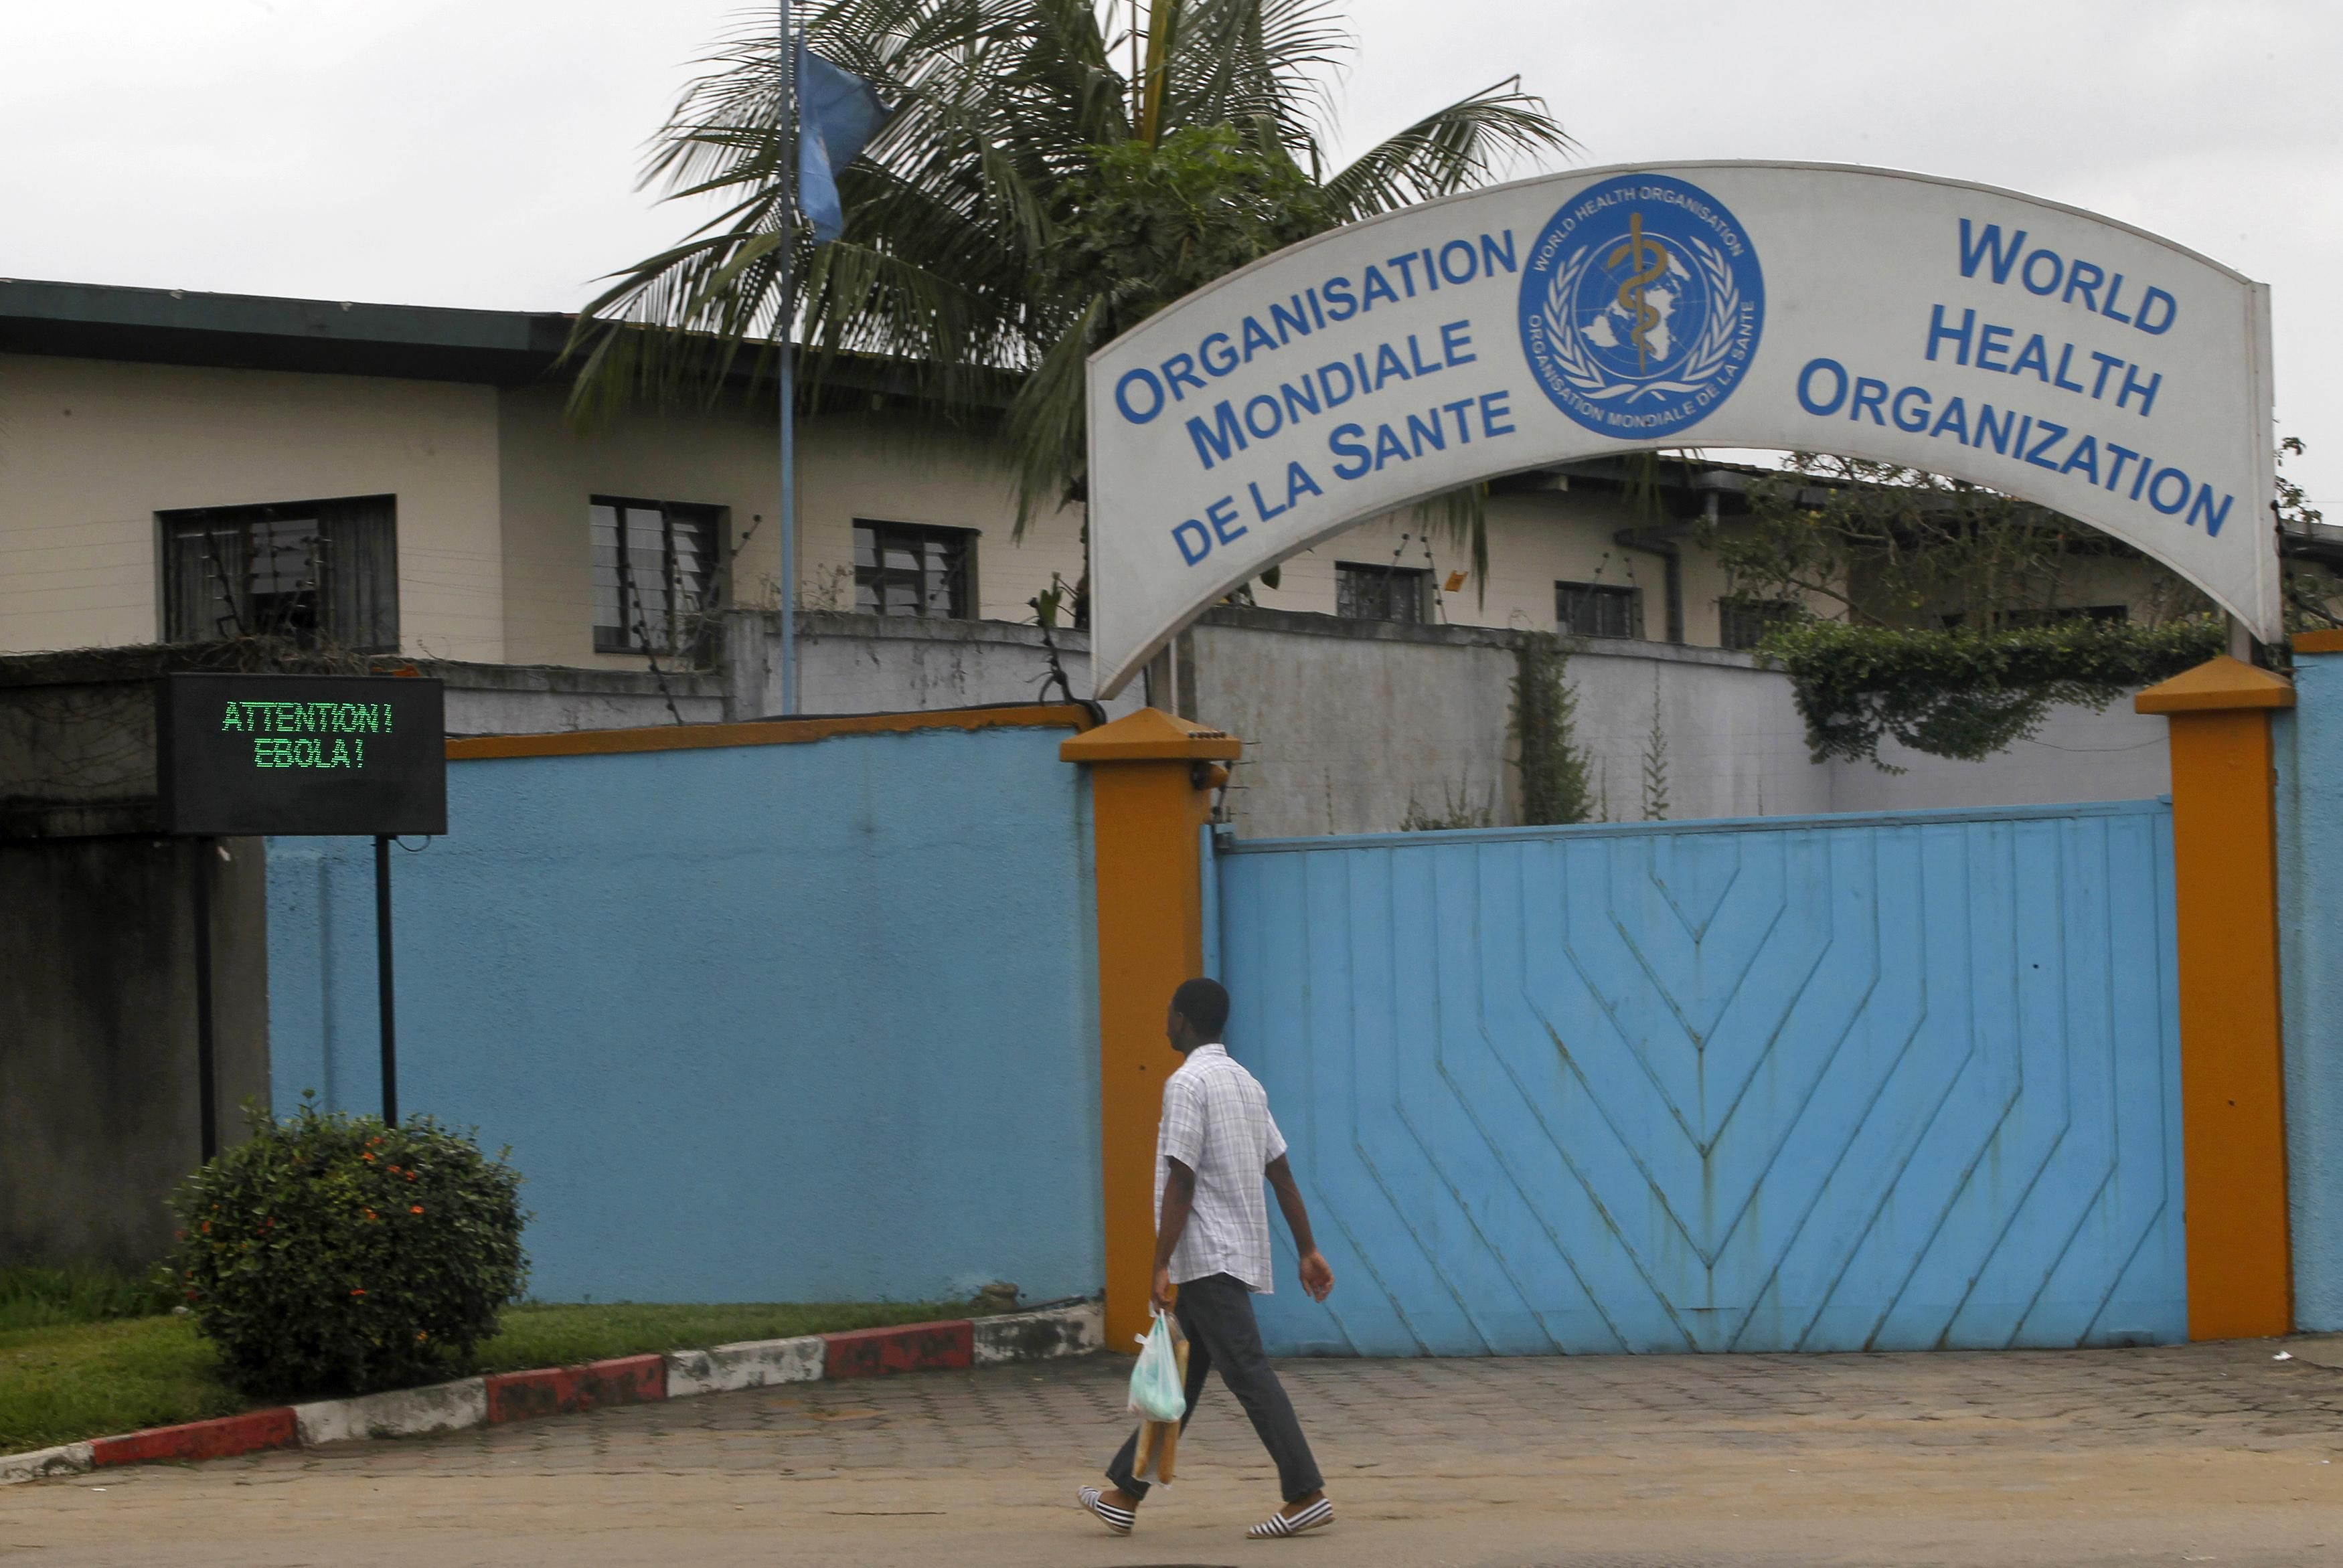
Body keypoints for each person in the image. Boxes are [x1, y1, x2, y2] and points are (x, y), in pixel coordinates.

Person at [1077, 976, 1337, 1541]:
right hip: (1225, 1255)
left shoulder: (1187, 1083)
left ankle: (1306, 1491)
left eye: (1169, 1013)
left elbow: (1182, 1177)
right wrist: (1308, 1248)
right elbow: (1282, 1171)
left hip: (1208, 1255)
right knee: (1179, 1377)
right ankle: (1125, 1491)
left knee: (1247, 1371)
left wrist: (1159, 1262)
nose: (1165, 1021)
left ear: (1185, 1020)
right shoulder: (1247, 1083)